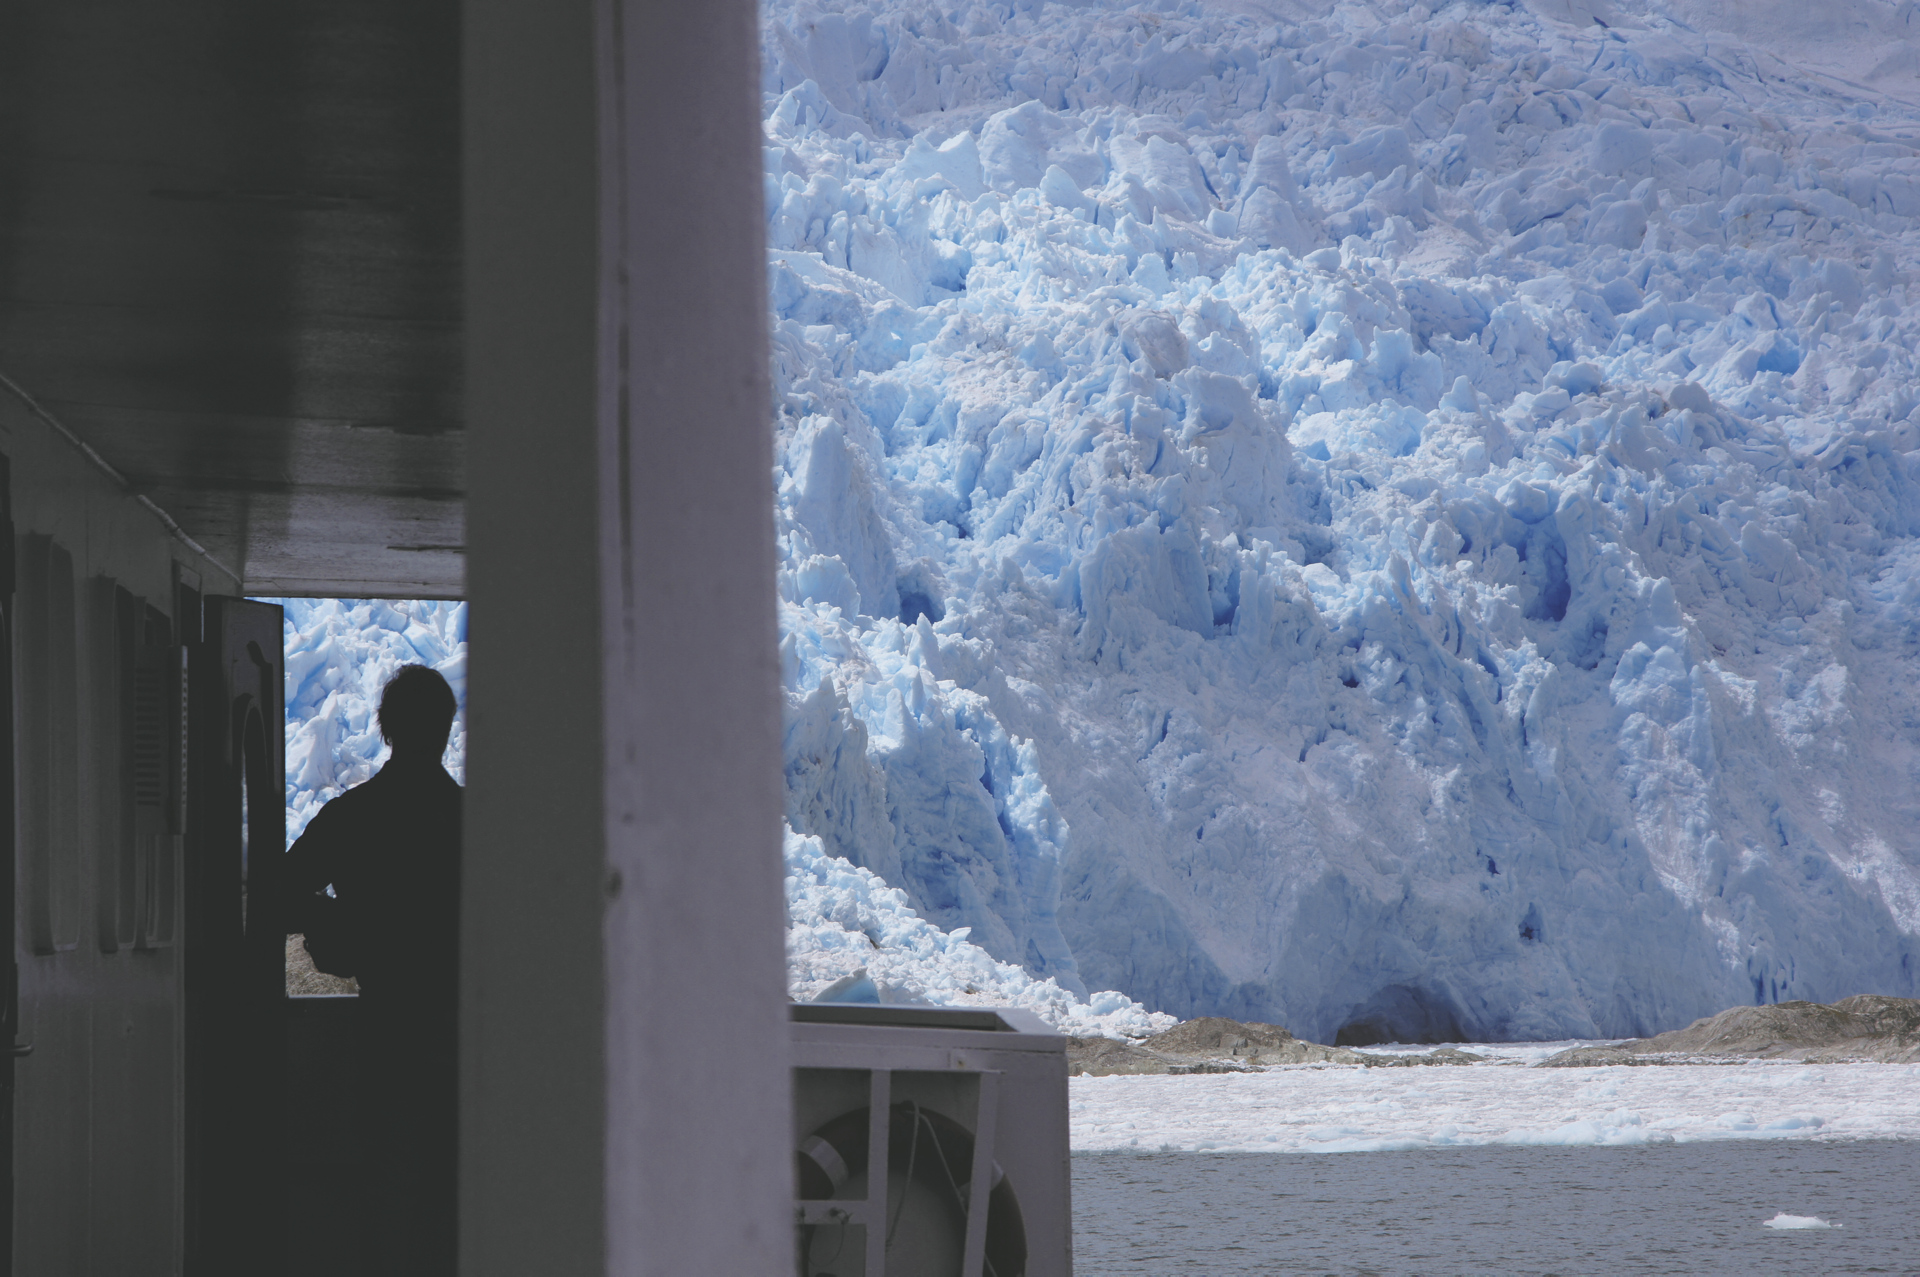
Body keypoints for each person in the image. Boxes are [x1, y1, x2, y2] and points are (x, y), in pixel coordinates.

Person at [285, 663, 462, 1275]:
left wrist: (342, 928)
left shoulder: (352, 815)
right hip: (465, 1036)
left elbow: (282, 893)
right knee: (453, 1186)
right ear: (446, 729)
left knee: (389, 1182)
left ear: (385, 728)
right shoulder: (475, 822)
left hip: (387, 1031)